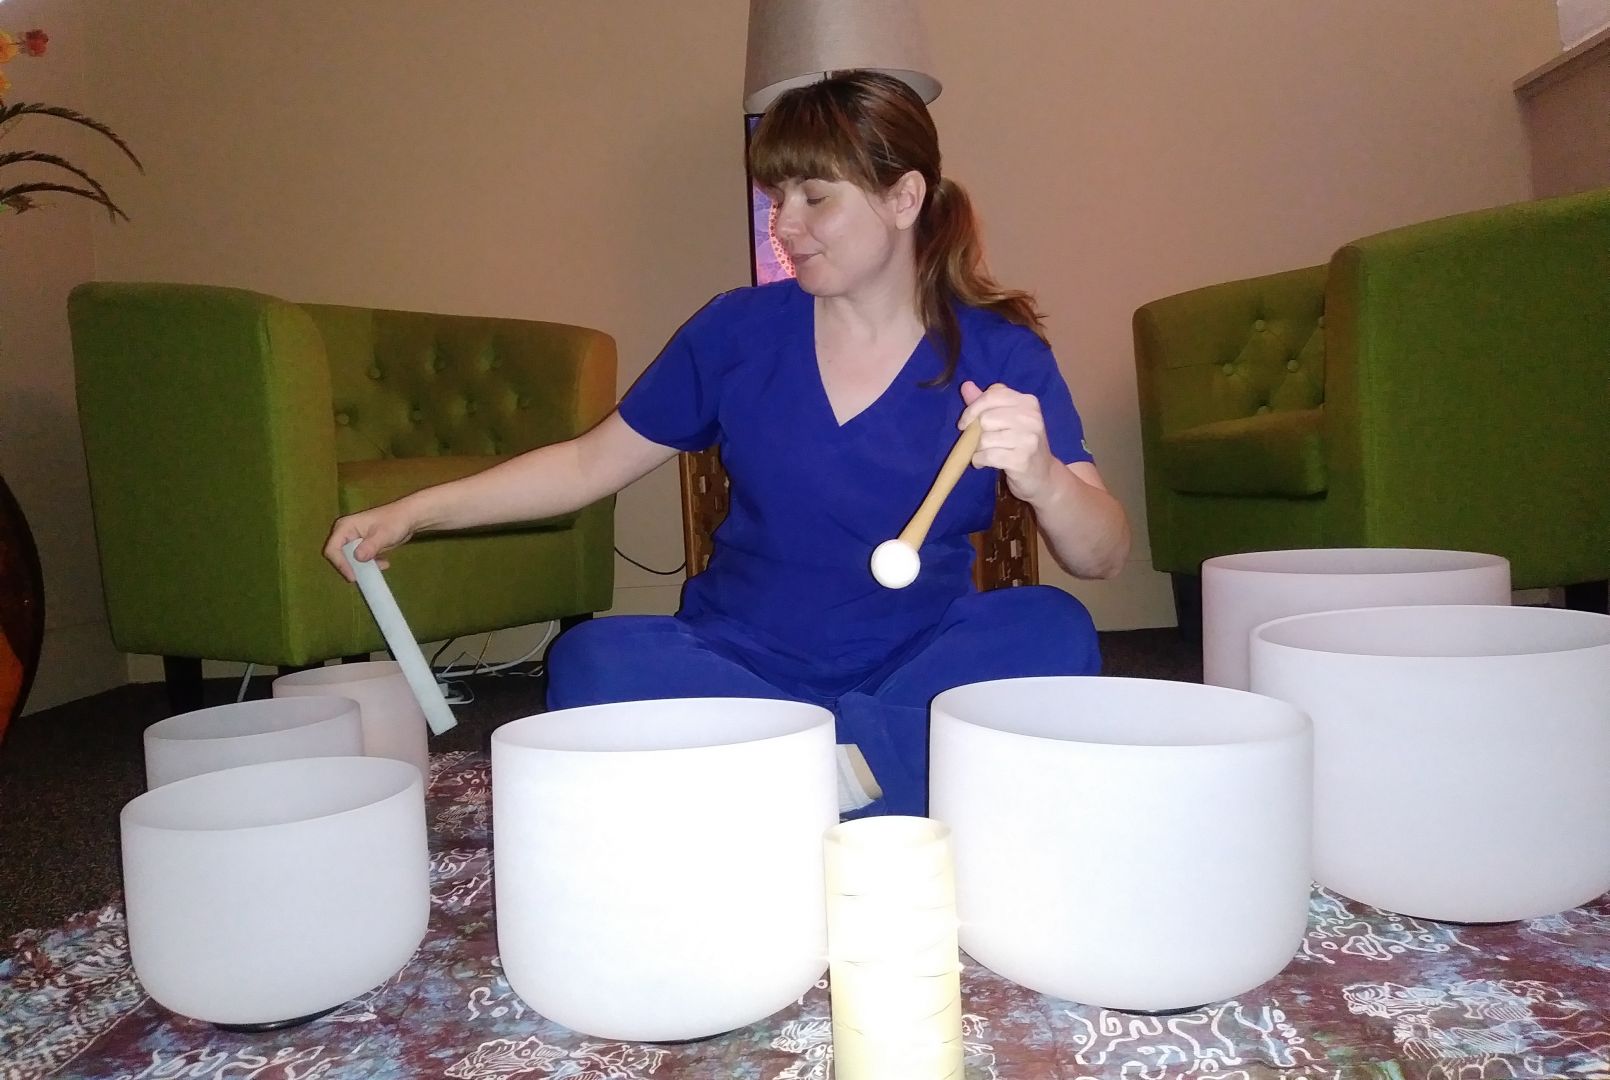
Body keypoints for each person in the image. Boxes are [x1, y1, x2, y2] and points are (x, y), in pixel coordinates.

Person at [324, 70, 1130, 817]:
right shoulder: (736, 331)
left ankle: (778, 778)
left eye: (815, 197)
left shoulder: (1000, 353)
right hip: (741, 665)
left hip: (917, 663)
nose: (785, 226)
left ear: (904, 196)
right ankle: (867, 779)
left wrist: (1044, 476)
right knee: (591, 660)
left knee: (1052, 628)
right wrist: (414, 513)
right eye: (777, 199)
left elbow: (1102, 554)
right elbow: (586, 464)